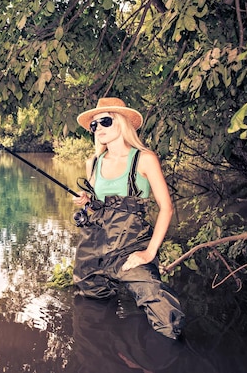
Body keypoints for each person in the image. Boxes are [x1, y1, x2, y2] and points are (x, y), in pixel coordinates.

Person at [71, 97, 185, 340]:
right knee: (91, 312)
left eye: (105, 121)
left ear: (121, 122)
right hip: (93, 247)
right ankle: (107, 355)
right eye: (94, 125)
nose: (98, 128)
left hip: (130, 244)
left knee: (161, 310)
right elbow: (97, 202)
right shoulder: (94, 162)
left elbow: (166, 208)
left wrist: (149, 252)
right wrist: (87, 199)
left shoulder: (144, 158)